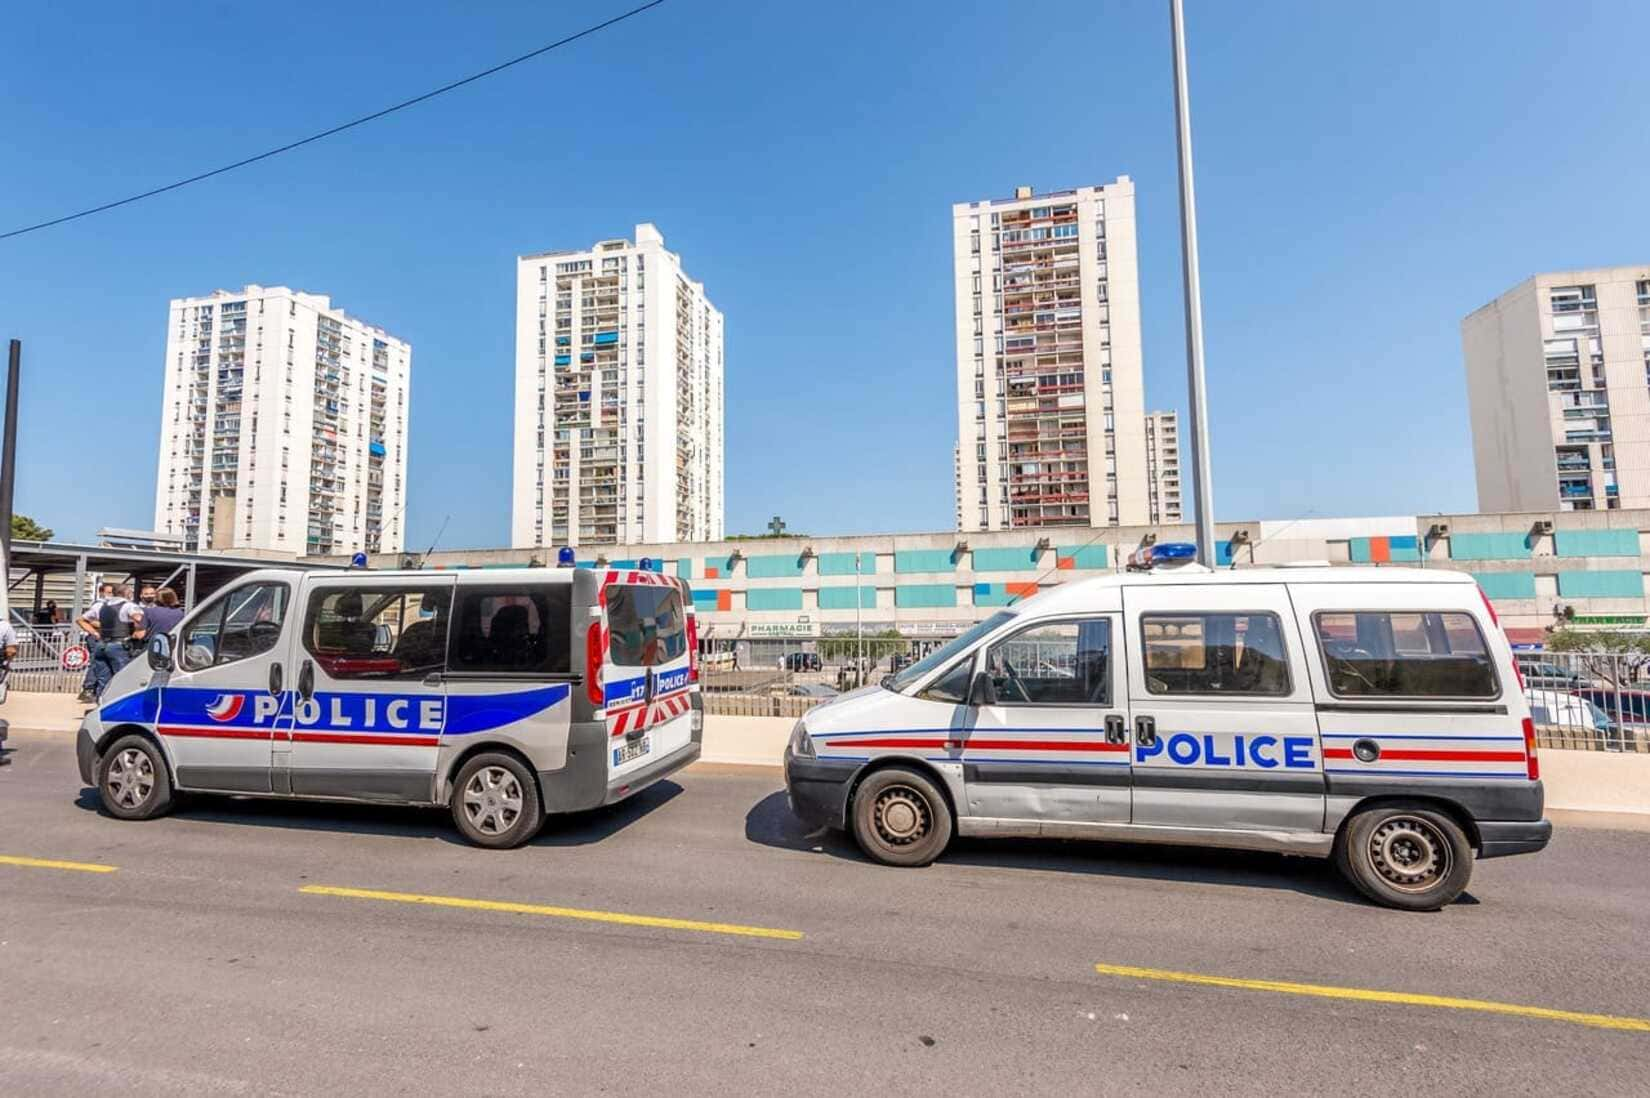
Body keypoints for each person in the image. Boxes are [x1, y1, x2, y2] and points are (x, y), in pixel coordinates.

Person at [77, 583, 144, 700]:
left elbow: (80, 620)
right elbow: (140, 619)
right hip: (119, 644)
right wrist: (137, 632)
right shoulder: (129, 606)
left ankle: (101, 704)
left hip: (101, 644)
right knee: (122, 677)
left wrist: (96, 633)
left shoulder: (100, 606)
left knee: (103, 679)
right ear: (127, 593)